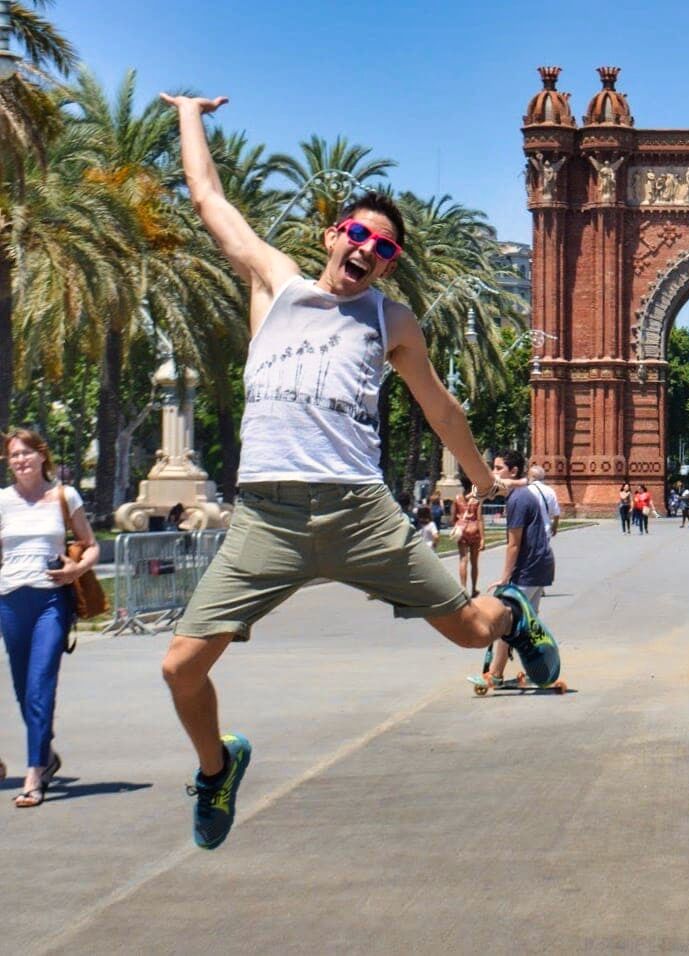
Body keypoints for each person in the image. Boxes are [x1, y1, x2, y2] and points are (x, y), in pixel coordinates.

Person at [158, 92, 556, 851]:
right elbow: (208, 198)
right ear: (333, 236)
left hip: (360, 513)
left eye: (386, 250)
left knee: (472, 633)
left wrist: (482, 482)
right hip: (267, 518)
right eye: (360, 235)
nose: (369, 251)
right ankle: (217, 768)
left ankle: (514, 614)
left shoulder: (390, 320)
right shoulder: (275, 284)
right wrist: (188, 113)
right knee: (180, 667)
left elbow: (441, 409)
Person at [0, 428, 99, 808]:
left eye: (26, 452)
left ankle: (34, 774)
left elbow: (91, 545)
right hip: (11, 601)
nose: (20, 460)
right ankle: (47, 754)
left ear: (42, 456)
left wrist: (76, 570)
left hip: (51, 602)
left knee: (40, 685)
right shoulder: (3, 501)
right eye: (14, 455)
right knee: (23, 690)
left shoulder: (63, 495)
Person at [483, 450, 558, 687]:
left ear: (513, 471)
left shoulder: (517, 499)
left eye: (498, 468)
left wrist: (504, 578)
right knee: (526, 624)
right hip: (540, 566)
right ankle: (541, 669)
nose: (494, 472)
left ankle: (495, 674)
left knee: (507, 621)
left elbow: (513, 544)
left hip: (528, 568)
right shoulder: (522, 494)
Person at [453, 494, 485, 598]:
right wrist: (483, 538)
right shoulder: (476, 500)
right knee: (474, 562)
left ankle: (463, 589)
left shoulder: (457, 499)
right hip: (474, 532)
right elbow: (479, 519)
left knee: (463, 560)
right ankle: (474, 589)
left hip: (462, 532)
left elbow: (453, 517)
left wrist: (458, 525)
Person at [527, 465, 561, 539]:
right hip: (545, 531)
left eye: (528, 475)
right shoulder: (550, 491)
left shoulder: (527, 490)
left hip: (529, 532)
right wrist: (554, 527)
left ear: (532, 476)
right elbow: (556, 513)